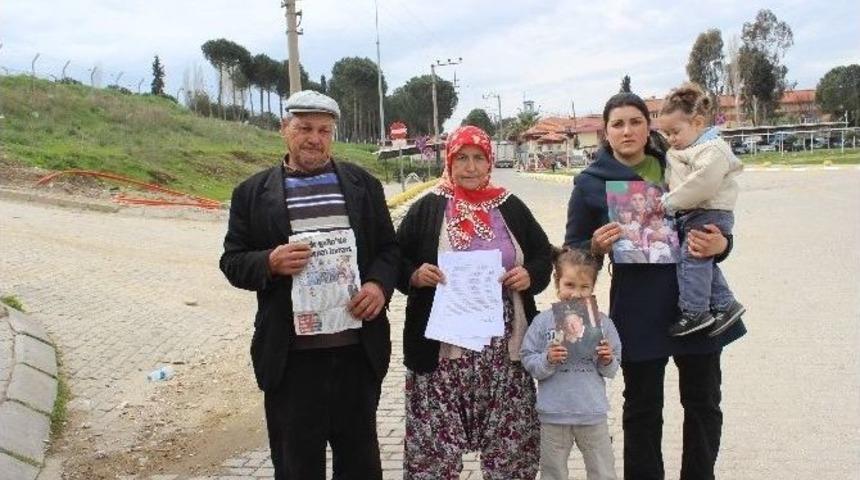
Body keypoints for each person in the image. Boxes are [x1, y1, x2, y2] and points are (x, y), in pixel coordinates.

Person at [564, 92, 746, 480]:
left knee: (703, 402)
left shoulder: (681, 164)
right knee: (642, 407)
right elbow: (573, 254)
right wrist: (595, 245)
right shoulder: (590, 184)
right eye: (618, 124)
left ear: (650, 127)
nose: (627, 130)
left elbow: (716, 216)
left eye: (635, 121)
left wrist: (723, 245)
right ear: (606, 133)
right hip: (637, 305)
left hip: (692, 305)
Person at [219, 90, 399, 480]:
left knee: (361, 466)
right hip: (291, 360)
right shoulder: (251, 193)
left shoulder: (363, 185)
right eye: (304, 128)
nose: (314, 138)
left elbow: (388, 250)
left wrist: (378, 287)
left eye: (323, 130)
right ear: (285, 130)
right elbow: (232, 261)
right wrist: (268, 261)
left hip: (356, 353)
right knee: (297, 467)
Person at [396, 125, 552, 479]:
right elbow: (395, 258)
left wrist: (529, 275)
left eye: (478, 158)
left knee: (509, 451)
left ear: (489, 162)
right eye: (461, 158)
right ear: (449, 161)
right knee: (434, 451)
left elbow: (543, 256)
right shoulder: (428, 208)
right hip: (442, 351)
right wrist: (415, 275)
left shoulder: (510, 206)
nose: (470, 167)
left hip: (504, 353)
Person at [521, 247, 621, 480]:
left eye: (584, 287)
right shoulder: (542, 322)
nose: (576, 293)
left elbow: (614, 366)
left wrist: (606, 358)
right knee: (553, 473)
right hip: (553, 414)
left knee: (603, 471)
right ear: (557, 284)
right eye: (569, 285)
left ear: (593, 288)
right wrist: (547, 360)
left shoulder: (603, 324)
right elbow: (527, 357)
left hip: (592, 412)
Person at [659, 83, 745, 337]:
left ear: (697, 122)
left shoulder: (712, 149)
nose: (671, 139)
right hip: (696, 211)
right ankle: (725, 304)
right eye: (666, 134)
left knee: (692, 259)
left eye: (675, 131)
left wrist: (669, 202)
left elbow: (702, 184)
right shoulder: (687, 148)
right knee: (698, 261)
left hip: (707, 211)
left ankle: (695, 311)